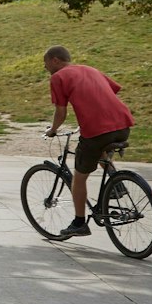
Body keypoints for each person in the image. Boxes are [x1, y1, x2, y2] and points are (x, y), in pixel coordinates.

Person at [42, 45, 135, 240]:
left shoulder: (58, 77)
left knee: (79, 177)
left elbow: (61, 112)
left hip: (97, 131)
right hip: (123, 126)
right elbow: (108, 92)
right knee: (100, 151)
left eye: (46, 63)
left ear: (55, 60)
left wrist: (53, 130)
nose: (45, 68)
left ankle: (79, 223)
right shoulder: (90, 69)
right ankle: (116, 184)